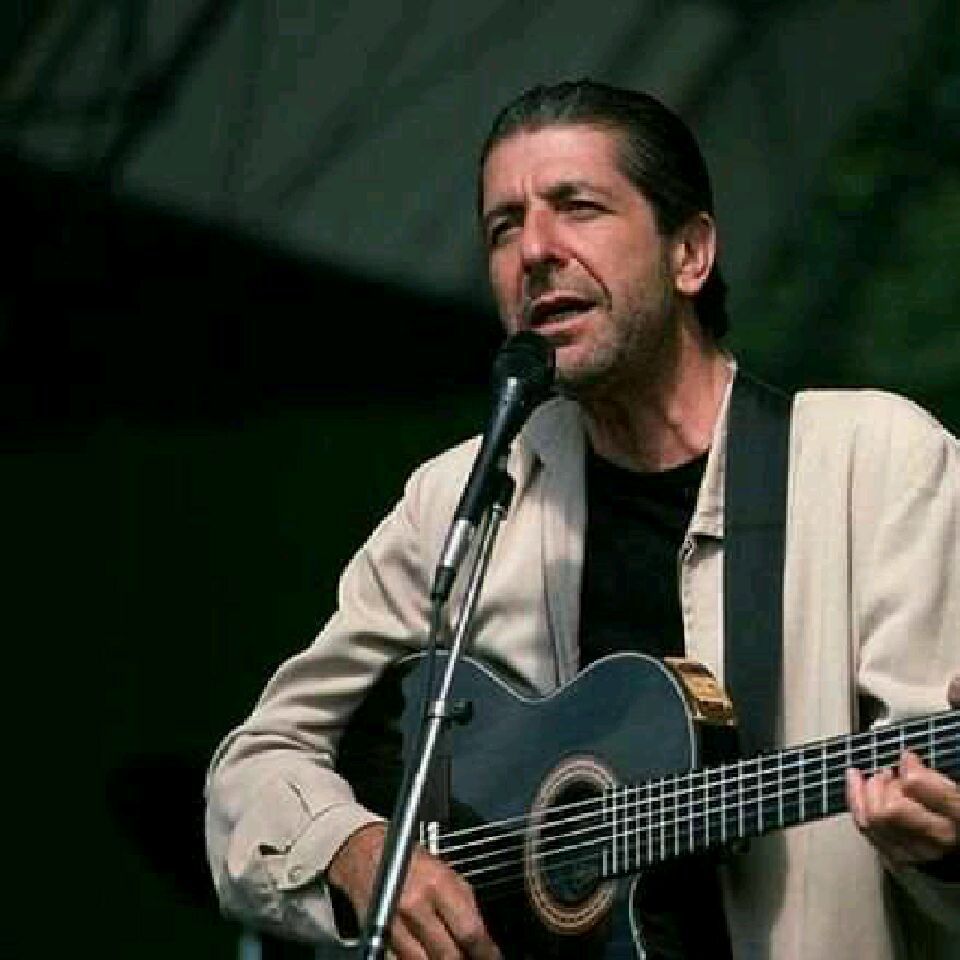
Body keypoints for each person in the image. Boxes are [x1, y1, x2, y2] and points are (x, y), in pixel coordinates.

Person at [204, 80, 960, 959]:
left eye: (578, 208)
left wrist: (945, 843)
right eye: (503, 226)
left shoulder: (877, 462)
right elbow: (255, 765)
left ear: (690, 254)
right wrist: (361, 852)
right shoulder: (456, 499)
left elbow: (933, 793)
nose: (534, 250)